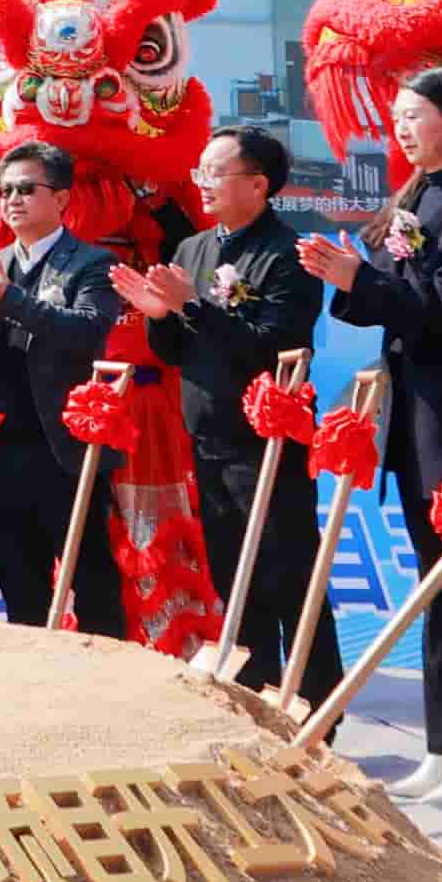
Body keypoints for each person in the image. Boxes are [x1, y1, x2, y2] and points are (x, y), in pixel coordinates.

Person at [299, 65, 442, 803]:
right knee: (434, 581)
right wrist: (352, 280)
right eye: (396, 117)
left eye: (415, 115)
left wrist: (361, 281)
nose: (401, 128)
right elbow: (396, 299)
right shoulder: (415, 194)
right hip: (415, 403)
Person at [138, 128, 342, 695]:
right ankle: (254, 694)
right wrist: (158, 315)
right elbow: (175, 352)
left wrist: (193, 306)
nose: (202, 184)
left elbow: (273, 346)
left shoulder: (289, 255)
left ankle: (316, 704)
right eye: (200, 171)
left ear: (257, 184)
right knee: (234, 579)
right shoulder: (191, 250)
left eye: (215, 173)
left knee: (289, 573)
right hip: (207, 440)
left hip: (267, 441)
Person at [0, 140, 155, 632]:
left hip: (67, 448)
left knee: (91, 576)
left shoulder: (91, 264)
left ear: (61, 198)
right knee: (18, 578)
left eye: (25, 189)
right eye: (5, 191)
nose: (12, 200)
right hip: (3, 444)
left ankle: (105, 670)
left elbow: (86, 330)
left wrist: (10, 300)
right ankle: (30, 675)